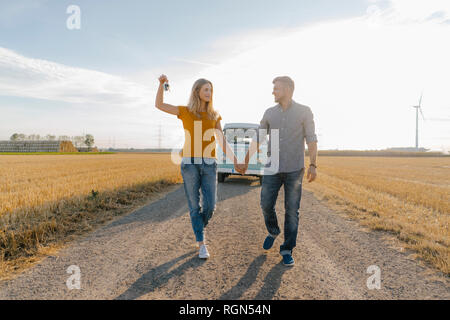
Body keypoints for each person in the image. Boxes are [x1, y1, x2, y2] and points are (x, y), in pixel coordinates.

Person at [155, 75, 241, 259]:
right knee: (194, 206)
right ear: (197, 92)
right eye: (206, 90)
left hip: (209, 165)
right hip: (189, 164)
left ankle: (198, 227)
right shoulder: (185, 111)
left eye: (211, 90)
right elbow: (159, 105)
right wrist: (161, 85)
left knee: (210, 206)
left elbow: (222, 141)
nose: (209, 93)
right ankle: (201, 243)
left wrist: (234, 160)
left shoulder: (214, 115)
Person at [237, 76, 318, 266]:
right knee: (266, 204)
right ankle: (273, 230)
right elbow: (258, 138)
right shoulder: (269, 113)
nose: (273, 91)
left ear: (288, 90)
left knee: (292, 211)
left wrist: (313, 165)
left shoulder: (304, 112)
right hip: (272, 168)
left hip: (294, 169)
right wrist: (246, 160)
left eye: (277, 88)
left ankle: (287, 249)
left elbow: (312, 139)